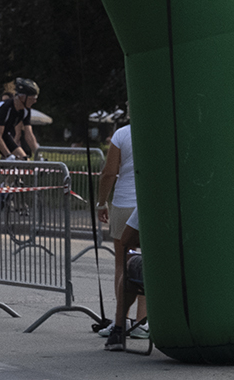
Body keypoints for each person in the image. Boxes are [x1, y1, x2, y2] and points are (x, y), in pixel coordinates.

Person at [95, 122, 147, 338]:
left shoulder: (122, 134)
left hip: (124, 202)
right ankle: (142, 321)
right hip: (147, 202)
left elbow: (109, 172)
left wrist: (101, 202)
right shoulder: (156, 129)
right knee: (146, 262)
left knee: (122, 264)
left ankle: (121, 319)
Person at [104, 207, 145, 352]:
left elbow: (126, 239)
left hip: (162, 270)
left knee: (130, 265)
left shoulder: (150, 201)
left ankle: (119, 328)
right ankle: (143, 322)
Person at [0, 78, 40, 163]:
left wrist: (38, 155)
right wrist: (8, 155)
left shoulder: (26, 110)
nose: (35, 101)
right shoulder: (5, 108)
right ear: (22, 97)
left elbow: (29, 135)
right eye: (33, 97)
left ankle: (12, 176)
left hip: (4, 135)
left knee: (24, 161)